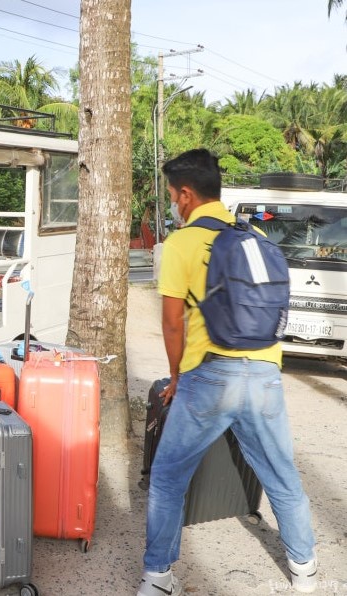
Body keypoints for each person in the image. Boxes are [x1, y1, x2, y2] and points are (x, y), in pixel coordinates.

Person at [138, 149, 318, 595]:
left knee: (168, 478)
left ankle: (158, 579)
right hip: (264, 372)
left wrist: (176, 377)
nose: (173, 203)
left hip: (210, 377)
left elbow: (172, 323)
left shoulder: (182, 243)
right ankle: (305, 572)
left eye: (172, 196)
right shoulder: (253, 234)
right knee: (281, 475)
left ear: (186, 194)